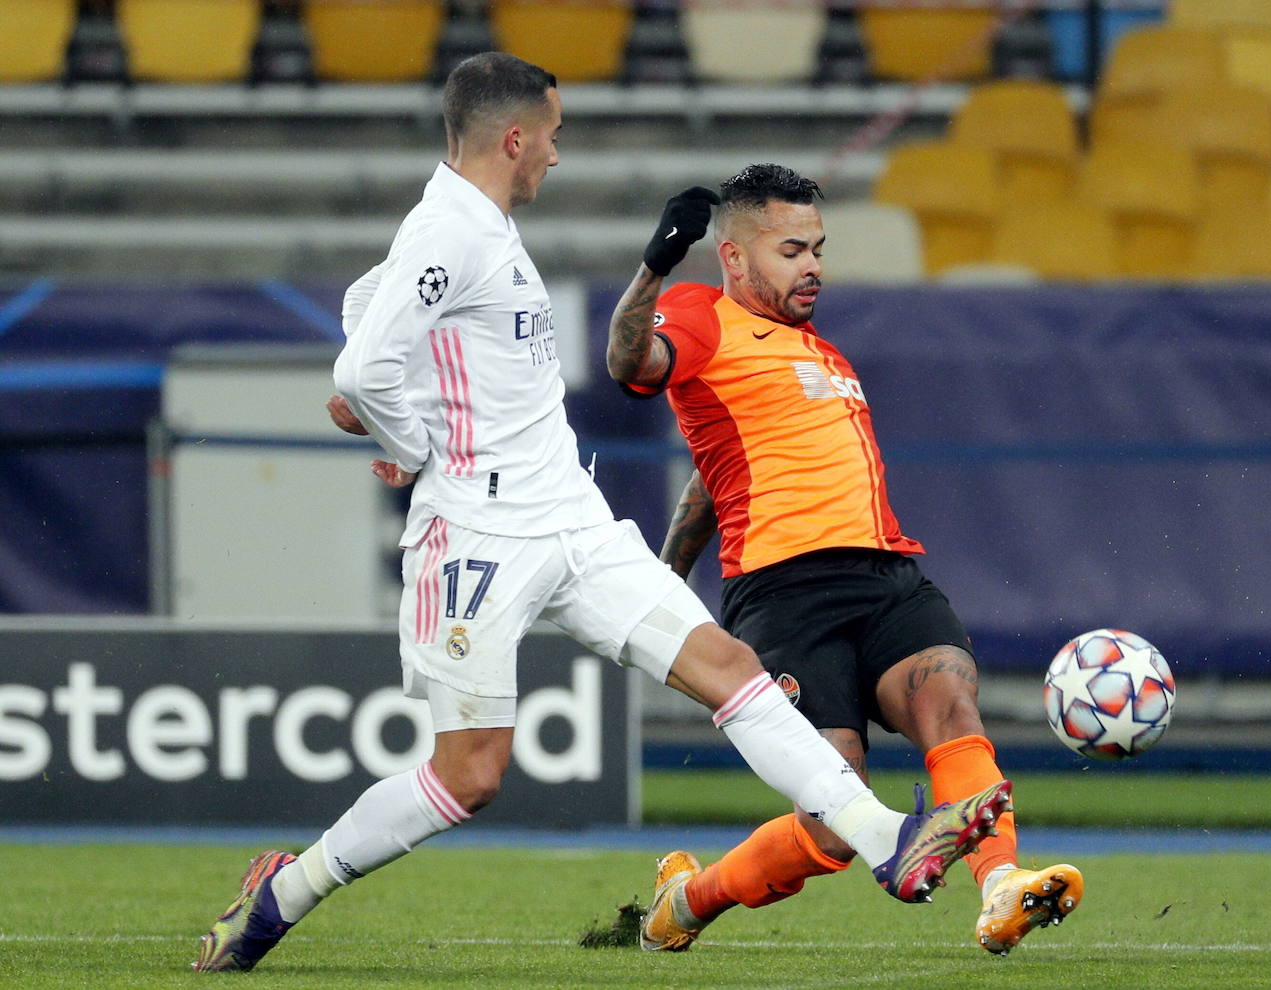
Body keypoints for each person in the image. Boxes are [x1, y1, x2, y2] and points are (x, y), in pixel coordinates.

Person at [191, 58, 1011, 974]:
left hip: (572, 517)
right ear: (514, 138)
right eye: (553, 133)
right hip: (477, 531)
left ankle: (886, 838)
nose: (556, 151)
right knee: (470, 777)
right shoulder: (448, 229)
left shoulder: (477, 227)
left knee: (729, 666)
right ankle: (285, 891)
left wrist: (400, 402)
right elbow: (358, 371)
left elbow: (363, 311)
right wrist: (410, 440)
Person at [606, 163, 1083, 956]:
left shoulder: (824, 356)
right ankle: (688, 900)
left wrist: (668, 566)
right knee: (836, 815)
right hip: (785, 592)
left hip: (888, 575)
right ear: (733, 257)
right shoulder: (700, 313)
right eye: (793, 249)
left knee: (952, 709)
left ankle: (1002, 888)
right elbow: (631, 364)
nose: (814, 266)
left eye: (819, 248)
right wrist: (657, 266)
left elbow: (715, 474)